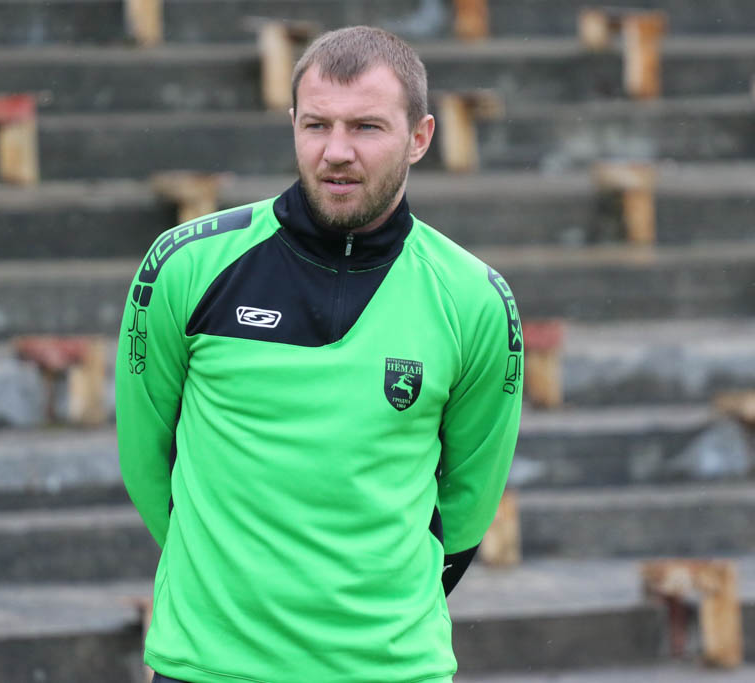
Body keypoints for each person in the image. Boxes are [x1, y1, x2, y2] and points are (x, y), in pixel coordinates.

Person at [116, 25, 523, 683]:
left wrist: (370, 611)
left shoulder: (474, 299)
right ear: (293, 125)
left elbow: (469, 503)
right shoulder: (186, 265)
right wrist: (229, 586)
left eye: (366, 127)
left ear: (419, 137)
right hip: (211, 666)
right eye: (316, 125)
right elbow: (145, 459)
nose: (336, 151)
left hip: (390, 669)